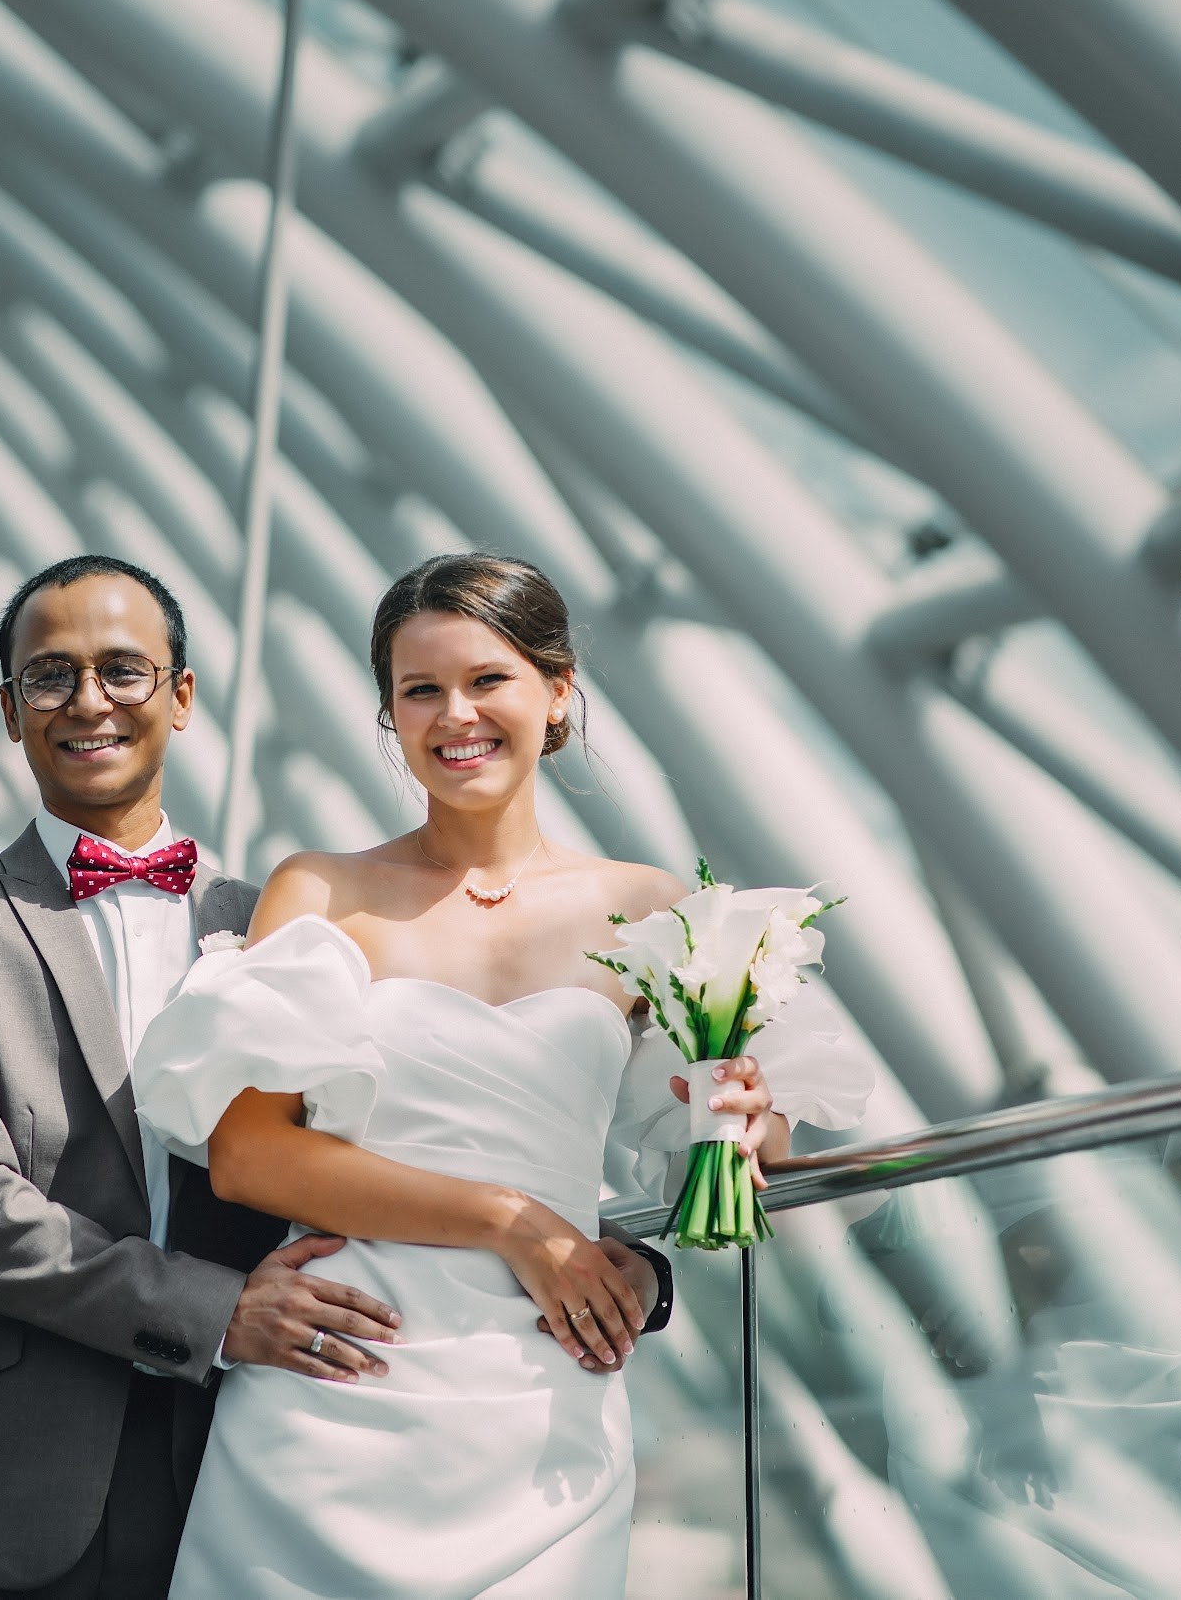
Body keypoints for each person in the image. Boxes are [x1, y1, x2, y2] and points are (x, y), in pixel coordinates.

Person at [133, 553, 871, 1596]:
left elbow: (720, 1153)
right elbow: (249, 1155)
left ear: (557, 691)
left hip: (547, 1405)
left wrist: (747, 1117)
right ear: (390, 717)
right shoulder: (323, 886)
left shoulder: (649, 906)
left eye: (488, 679)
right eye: (418, 690)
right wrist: (511, 1218)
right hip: (336, 1392)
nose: (454, 714)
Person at [0, 555, 464, 1598]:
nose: (89, 700)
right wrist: (218, 1310)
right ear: (9, 709)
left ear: (181, 696)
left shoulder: (281, 920)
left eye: (124, 669)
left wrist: (625, 1236)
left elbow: (414, 1137)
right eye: (50, 676)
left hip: (253, 1461)